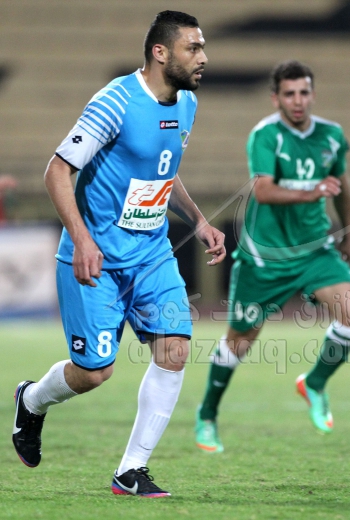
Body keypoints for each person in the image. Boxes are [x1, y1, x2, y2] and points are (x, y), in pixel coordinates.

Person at [12, 11, 225, 498]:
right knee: (94, 373)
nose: (203, 57)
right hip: (98, 259)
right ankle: (32, 400)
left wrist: (198, 219)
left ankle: (131, 470)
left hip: (151, 253)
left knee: (175, 350)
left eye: (203, 47)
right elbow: (57, 170)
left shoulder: (187, 103)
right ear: (160, 52)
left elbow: (161, 171)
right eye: (193, 48)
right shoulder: (116, 102)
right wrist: (83, 239)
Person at [195, 60, 350, 453]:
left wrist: (349, 231)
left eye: (304, 92)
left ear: (313, 94)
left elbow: (342, 186)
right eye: (289, 94)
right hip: (265, 257)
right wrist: (312, 192)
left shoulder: (332, 135)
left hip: (314, 250)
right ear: (276, 98)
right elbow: (263, 190)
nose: (298, 100)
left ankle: (315, 384)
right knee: (240, 341)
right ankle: (207, 414)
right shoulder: (265, 135)